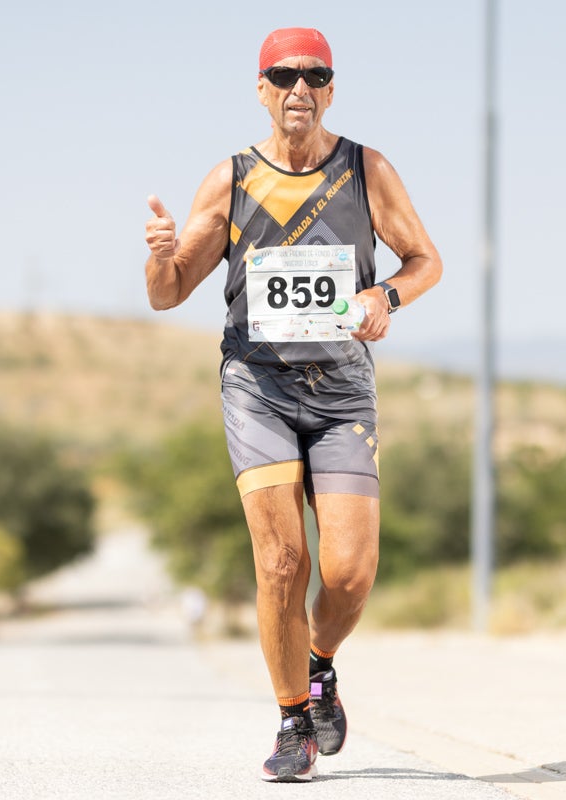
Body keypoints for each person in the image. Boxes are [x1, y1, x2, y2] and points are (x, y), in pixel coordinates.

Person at [144, 26, 442, 783]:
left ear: (332, 90)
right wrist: (159, 256)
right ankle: (291, 723)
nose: (298, 88)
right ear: (261, 89)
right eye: (283, 76)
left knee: (350, 574)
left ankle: (319, 664)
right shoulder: (232, 179)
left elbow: (425, 261)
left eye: (314, 75)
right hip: (259, 388)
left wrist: (384, 297)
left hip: (342, 391)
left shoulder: (366, 169)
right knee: (281, 561)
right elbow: (168, 293)